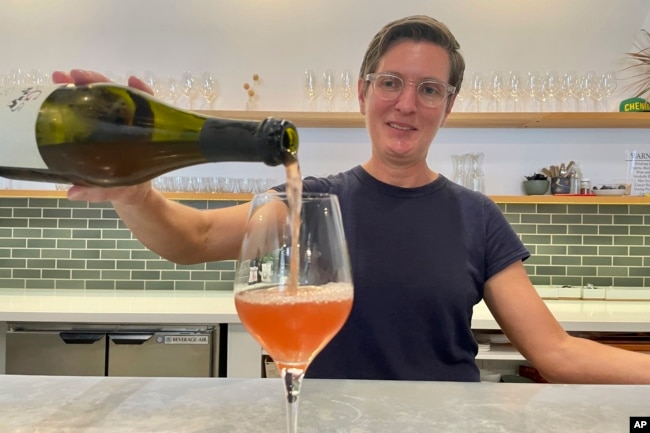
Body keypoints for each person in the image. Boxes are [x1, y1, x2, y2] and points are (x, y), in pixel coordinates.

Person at [53, 15, 650, 383]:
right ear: (364, 90)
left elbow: (556, 353)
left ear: (449, 105)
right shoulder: (310, 200)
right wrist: (134, 194)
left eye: (429, 89)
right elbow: (195, 239)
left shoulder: (478, 217)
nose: (406, 103)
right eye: (390, 82)